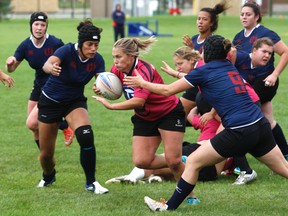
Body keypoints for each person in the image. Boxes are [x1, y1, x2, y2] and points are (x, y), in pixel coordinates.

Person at [123, 35, 288, 212]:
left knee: (193, 161)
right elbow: (204, 77)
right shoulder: (228, 66)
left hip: (239, 130)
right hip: (259, 124)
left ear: (206, 52)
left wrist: (142, 83)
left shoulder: (205, 70)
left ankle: (167, 207)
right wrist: (178, 74)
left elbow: (167, 90)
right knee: (283, 168)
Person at [93, 37, 200, 204]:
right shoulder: (117, 69)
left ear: (131, 56)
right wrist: (103, 89)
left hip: (168, 113)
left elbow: (138, 101)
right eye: (114, 57)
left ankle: (190, 195)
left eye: (119, 57)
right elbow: (116, 88)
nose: (115, 61)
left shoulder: (143, 71)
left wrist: (112, 106)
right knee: (142, 161)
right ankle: (179, 159)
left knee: (173, 162)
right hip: (145, 117)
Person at [37, 18, 108, 194]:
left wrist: (100, 88)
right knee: (46, 156)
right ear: (81, 43)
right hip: (50, 102)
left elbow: (102, 81)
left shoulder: (97, 60)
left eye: (96, 44)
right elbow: (48, 63)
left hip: (74, 102)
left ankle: (91, 183)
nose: (93, 48)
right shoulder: (66, 50)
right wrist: (51, 68)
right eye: (90, 44)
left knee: (86, 136)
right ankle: (48, 175)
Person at [5, 12, 74, 152]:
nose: (39, 28)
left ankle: (65, 126)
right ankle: (45, 155)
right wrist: (9, 63)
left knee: (31, 123)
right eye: (36, 24)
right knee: (34, 127)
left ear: (46, 27)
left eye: (43, 25)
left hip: (54, 85)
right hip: (38, 84)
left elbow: (70, 59)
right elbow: (12, 68)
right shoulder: (26, 45)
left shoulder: (55, 43)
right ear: (31, 26)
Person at [232, 1, 288, 160]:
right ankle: (284, 153)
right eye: (242, 14)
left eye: (248, 14)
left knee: (244, 116)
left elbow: (285, 52)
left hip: (265, 82)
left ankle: (240, 160)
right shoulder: (238, 37)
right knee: (268, 120)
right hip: (248, 83)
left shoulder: (266, 33)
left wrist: (274, 74)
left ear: (257, 17)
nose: (244, 17)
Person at [180, 0, 229, 119]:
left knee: (178, 114)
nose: (200, 22)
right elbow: (191, 64)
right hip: (193, 83)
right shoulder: (194, 39)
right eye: (198, 18)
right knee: (179, 114)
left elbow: (207, 65)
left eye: (204, 19)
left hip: (205, 86)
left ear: (212, 23)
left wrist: (192, 50)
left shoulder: (213, 42)